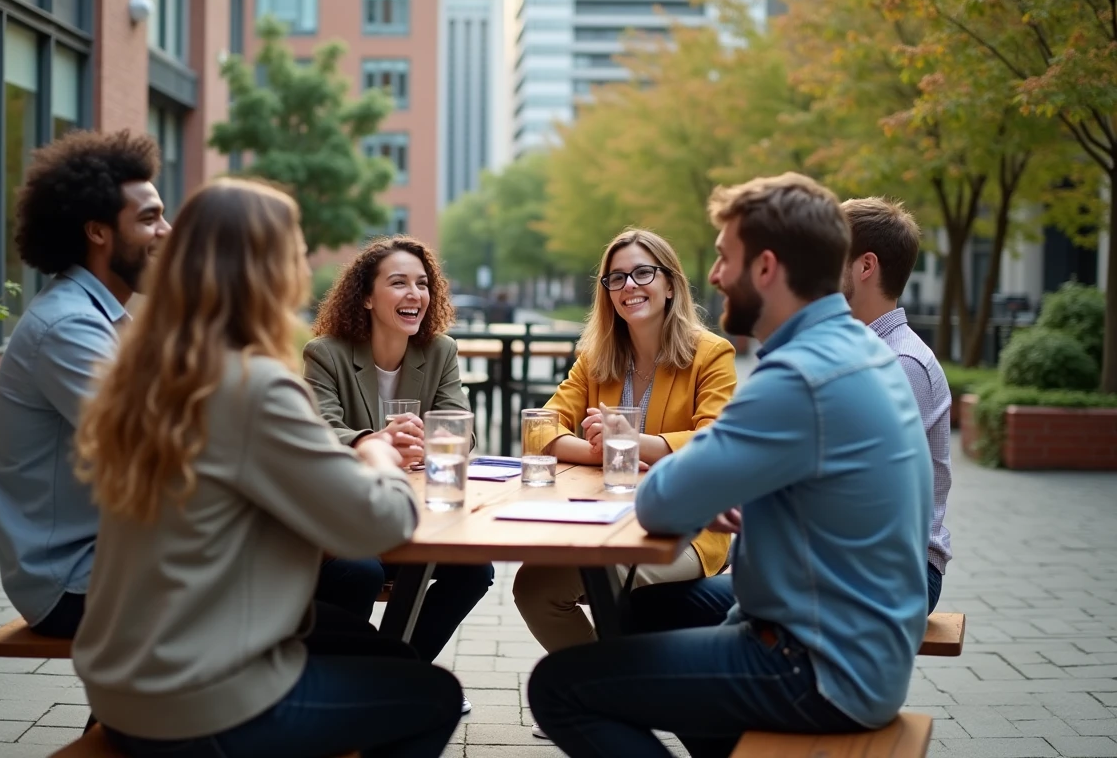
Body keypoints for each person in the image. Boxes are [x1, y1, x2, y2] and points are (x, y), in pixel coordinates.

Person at [527, 172, 933, 758]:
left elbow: (661, 503)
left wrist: (661, 459)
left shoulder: (797, 376)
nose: (714, 276)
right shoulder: (857, 349)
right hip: (854, 638)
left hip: (818, 665)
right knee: (640, 610)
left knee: (561, 687)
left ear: (765, 268)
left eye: (724, 257)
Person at [70, 178, 462, 758]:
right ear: (268, 270)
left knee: (375, 647)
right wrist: (377, 452)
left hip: (124, 677)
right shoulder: (252, 384)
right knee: (434, 697)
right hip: (195, 698)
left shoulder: (146, 374)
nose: (304, 263)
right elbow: (379, 524)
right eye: (295, 249)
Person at [513, 230, 737, 658]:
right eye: (616, 278)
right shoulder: (597, 358)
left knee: (560, 583)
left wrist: (635, 443)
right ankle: (607, 691)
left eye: (642, 273)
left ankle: (601, 695)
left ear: (670, 284)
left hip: (685, 530)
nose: (629, 286)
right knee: (534, 585)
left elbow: (717, 440)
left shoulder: (711, 354)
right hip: (607, 519)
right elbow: (539, 428)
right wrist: (602, 451)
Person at [0, 130, 169, 638]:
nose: (167, 231)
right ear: (98, 232)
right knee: (315, 585)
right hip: (73, 582)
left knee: (342, 573)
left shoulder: (102, 317)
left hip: (118, 554)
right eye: (149, 218)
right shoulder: (69, 327)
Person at [303, 235, 494, 713]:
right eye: (399, 283)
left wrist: (433, 441)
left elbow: (461, 432)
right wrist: (373, 441)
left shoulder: (441, 351)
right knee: (358, 573)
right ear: (366, 296)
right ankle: (367, 679)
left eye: (423, 284)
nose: (415, 294)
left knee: (475, 570)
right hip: (345, 523)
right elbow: (320, 430)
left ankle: (394, 673)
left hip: (415, 516)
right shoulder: (325, 353)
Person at [842, 196, 952, 613]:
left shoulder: (899, 364)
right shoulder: (857, 352)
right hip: (860, 560)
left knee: (672, 605)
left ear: (865, 266)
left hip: (899, 573)